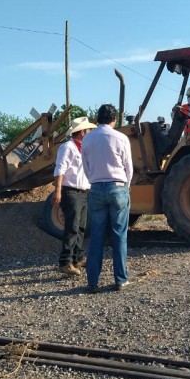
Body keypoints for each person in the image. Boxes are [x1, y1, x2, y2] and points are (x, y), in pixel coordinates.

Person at [81, 104, 134, 293]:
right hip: (117, 187)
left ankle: (92, 282)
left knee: (96, 236)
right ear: (114, 120)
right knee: (119, 235)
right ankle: (120, 279)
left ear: (97, 119)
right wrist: (125, 187)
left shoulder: (87, 139)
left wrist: (94, 181)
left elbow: (85, 166)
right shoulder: (121, 137)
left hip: (95, 188)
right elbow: (129, 166)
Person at [52, 116, 96, 276]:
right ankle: (65, 262)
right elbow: (60, 168)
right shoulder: (68, 147)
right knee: (72, 226)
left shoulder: (81, 148)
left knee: (81, 226)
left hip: (82, 191)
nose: (90, 131)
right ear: (82, 131)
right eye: (88, 129)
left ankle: (77, 257)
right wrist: (57, 190)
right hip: (70, 191)